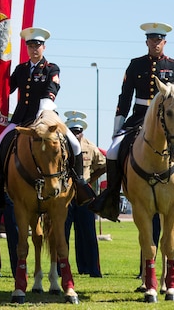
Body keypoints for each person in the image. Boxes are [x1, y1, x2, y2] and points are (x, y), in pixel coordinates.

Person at [90, 22, 174, 222]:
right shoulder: (135, 64)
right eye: (153, 40)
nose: (156, 43)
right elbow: (125, 97)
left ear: (165, 42)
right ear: (147, 42)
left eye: (159, 40)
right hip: (138, 118)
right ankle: (111, 197)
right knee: (112, 151)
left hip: (170, 122)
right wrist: (117, 127)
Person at [0, 27, 95, 207]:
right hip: (21, 118)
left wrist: (42, 115)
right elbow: (8, 87)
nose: (34, 49)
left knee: (75, 144)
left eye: (37, 46)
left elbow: (51, 91)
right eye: (30, 46)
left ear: (43, 48)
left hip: (46, 117)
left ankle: (79, 184)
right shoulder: (21, 69)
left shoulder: (51, 69)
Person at [62, 112, 106, 277]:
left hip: (84, 195)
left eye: (78, 131)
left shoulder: (90, 146)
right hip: (66, 194)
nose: (76, 134)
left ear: (83, 132)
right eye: (72, 131)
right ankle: (61, 268)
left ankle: (91, 268)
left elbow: (103, 164)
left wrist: (90, 180)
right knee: (63, 233)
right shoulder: (62, 145)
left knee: (88, 233)